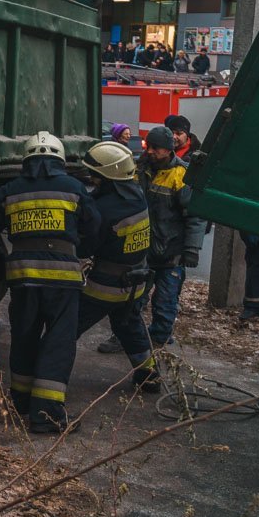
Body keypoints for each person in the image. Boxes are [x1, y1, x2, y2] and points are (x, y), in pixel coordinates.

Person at [0, 132, 101, 433]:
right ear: (59, 160)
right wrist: (77, 251)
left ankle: (20, 402)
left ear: (26, 160)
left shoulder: (10, 190)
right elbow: (94, 227)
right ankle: (46, 416)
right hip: (63, 282)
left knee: (24, 337)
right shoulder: (74, 188)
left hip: (23, 280)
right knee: (58, 342)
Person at [99, 127, 205, 352]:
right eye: (150, 147)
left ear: (168, 151)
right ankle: (123, 338)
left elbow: (195, 216)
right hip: (141, 252)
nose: (151, 151)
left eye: (156, 148)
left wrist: (192, 249)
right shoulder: (138, 169)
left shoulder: (180, 175)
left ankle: (158, 342)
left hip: (170, 253)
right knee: (131, 302)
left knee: (165, 303)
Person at [76, 141, 159, 392]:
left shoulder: (103, 209)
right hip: (136, 282)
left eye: (96, 175)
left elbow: (85, 248)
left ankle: (44, 374)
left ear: (108, 176)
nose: (92, 178)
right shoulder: (137, 197)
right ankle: (149, 376)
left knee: (68, 326)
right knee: (129, 326)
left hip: (105, 287)